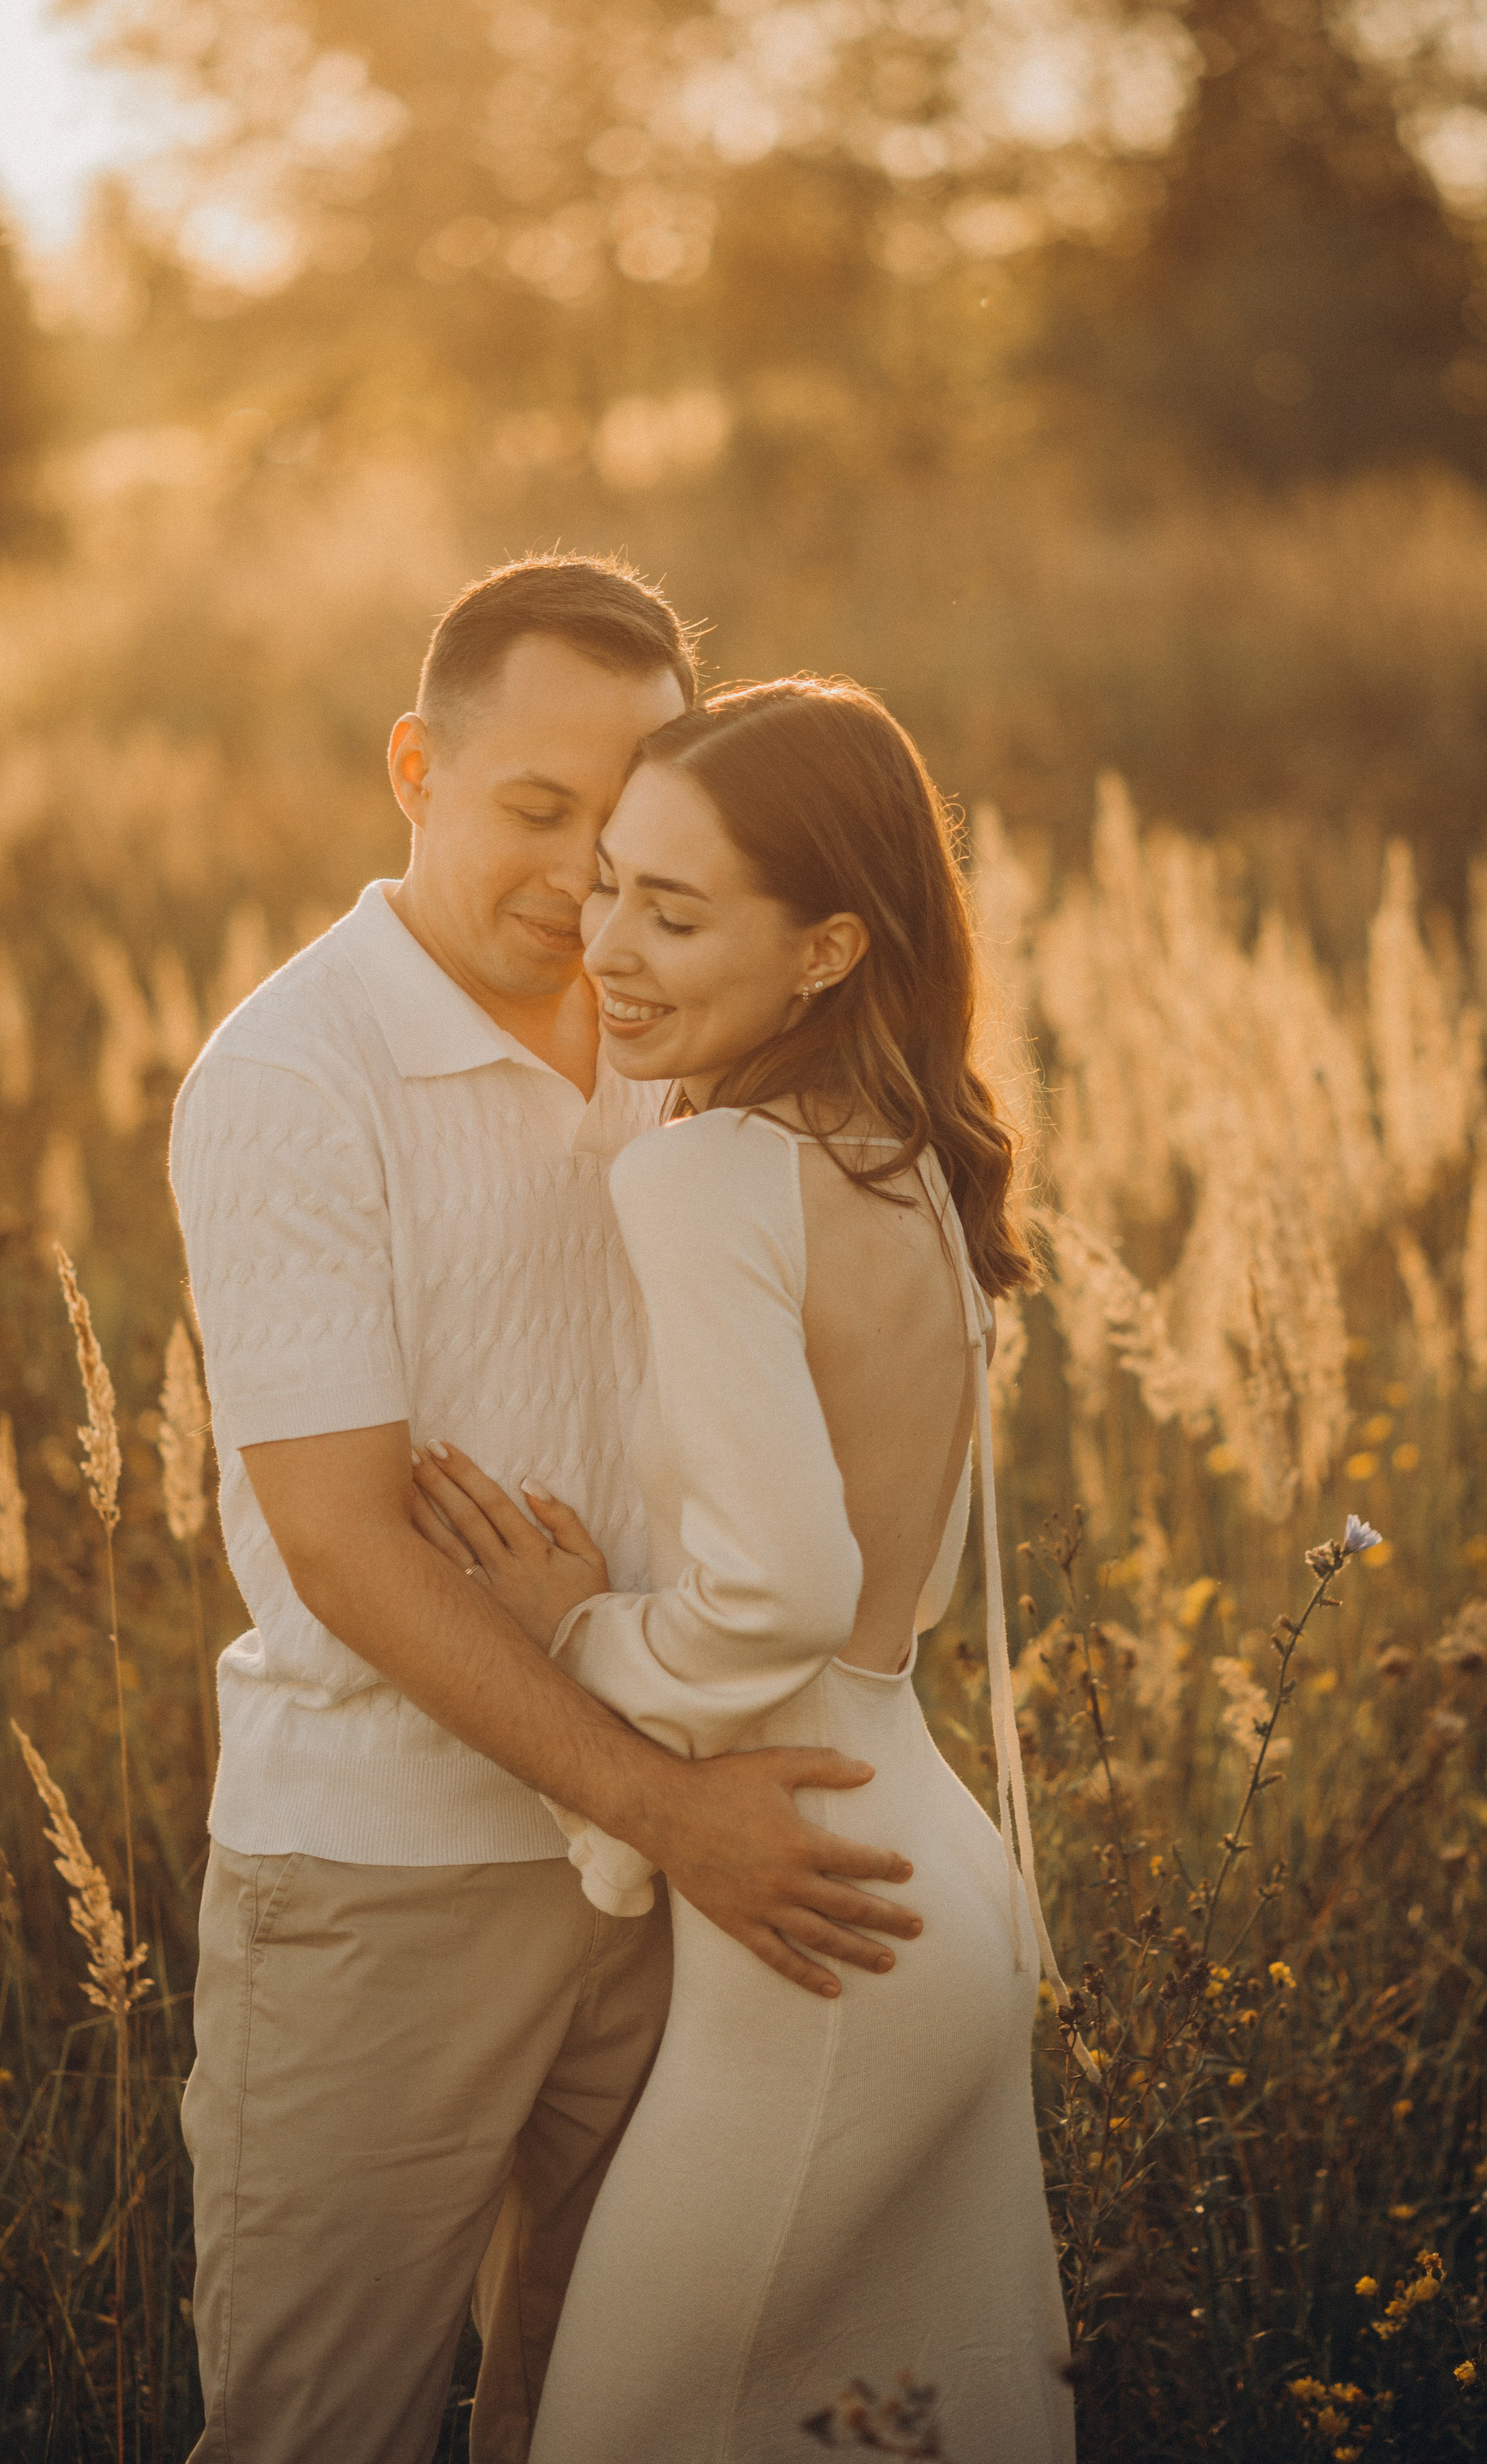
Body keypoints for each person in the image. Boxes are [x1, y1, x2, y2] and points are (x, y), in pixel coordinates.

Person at [168, 565, 921, 2464]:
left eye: (628, 821)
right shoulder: (292, 1077)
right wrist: (664, 1805)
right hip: (388, 1884)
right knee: (314, 2434)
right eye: (534, 809)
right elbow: (345, 1548)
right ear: (415, 766)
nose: (589, 879)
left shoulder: (690, 1039)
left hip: (671, 1881)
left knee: (599, 2426)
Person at [409, 678, 1077, 2463]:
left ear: (829, 947)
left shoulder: (704, 1177)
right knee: (907, 2435)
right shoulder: (907, 1158)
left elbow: (777, 1594)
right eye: (611, 881)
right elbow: (885, 1595)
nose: (605, 943)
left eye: (675, 912)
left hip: (822, 1916)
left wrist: (578, 1629)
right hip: (924, 1865)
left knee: (622, 2433)